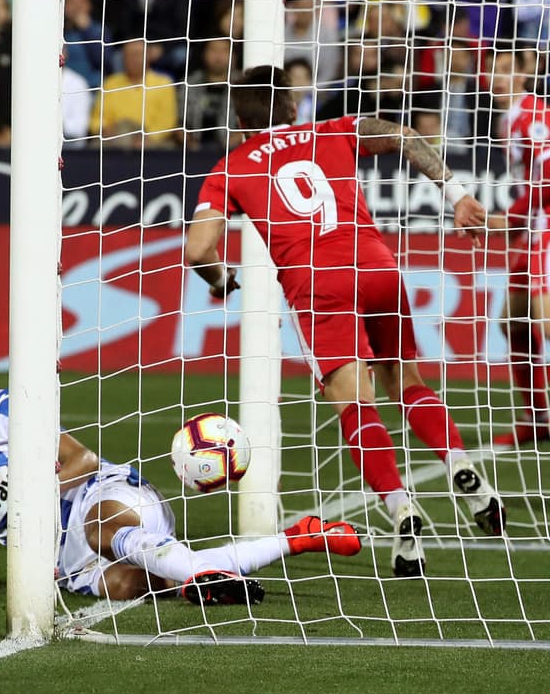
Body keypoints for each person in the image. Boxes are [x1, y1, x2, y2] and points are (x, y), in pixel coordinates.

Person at [183, 65, 505, 578]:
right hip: (376, 266)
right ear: (292, 106)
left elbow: (198, 247)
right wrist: (457, 195)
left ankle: (400, 507)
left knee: (355, 402)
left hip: (317, 286)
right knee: (407, 381)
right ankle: (458, 462)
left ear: (240, 121)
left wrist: (220, 279)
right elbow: (404, 135)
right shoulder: (333, 129)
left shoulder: (231, 167)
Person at [0, 324, 361, 603]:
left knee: (105, 527)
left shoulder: (5, 409)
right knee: (125, 586)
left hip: (108, 499)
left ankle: (194, 573)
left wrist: (35, 502)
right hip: (71, 566)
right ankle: (290, 542)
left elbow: (82, 460)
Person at [488, 50, 550, 446]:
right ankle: (537, 418)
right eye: (492, 70)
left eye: (507, 70)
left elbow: (547, 176)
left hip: (545, 229)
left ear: (525, 73)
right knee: (514, 324)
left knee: (544, 323)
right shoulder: (507, 118)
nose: (496, 78)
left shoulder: (534, 114)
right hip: (530, 233)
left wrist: (510, 217)